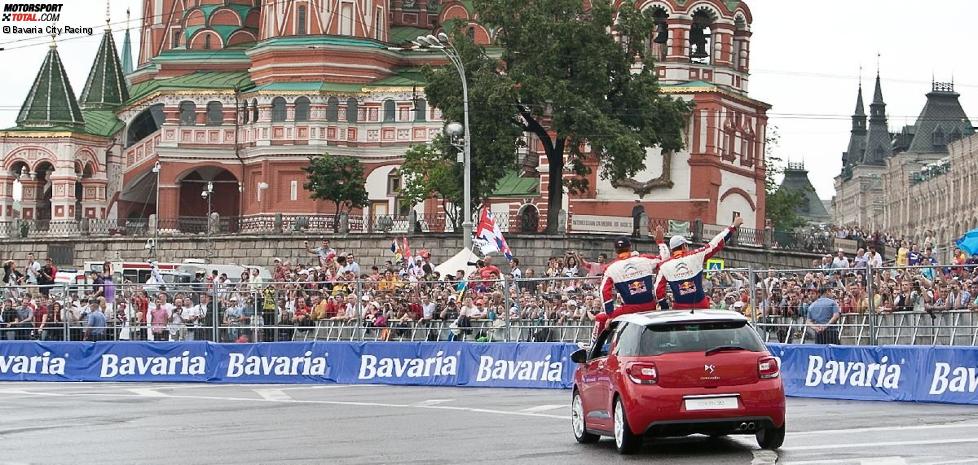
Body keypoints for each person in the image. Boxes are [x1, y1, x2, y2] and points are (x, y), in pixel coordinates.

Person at [593, 225, 668, 342]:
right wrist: (660, 242)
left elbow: (604, 292)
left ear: (616, 250)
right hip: (650, 305)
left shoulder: (611, 268)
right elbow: (664, 258)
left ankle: (592, 349)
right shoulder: (644, 260)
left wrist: (610, 315)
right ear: (630, 247)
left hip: (629, 308)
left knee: (600, 318)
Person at [655, 215, 743, 309]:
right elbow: (715, 244)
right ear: (684, 246)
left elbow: (658, 290)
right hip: (700, 305)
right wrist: (733, 227)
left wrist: (665, 307)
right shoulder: (695, 256)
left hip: (679, 308)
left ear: (672, 249)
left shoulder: (664, 265)